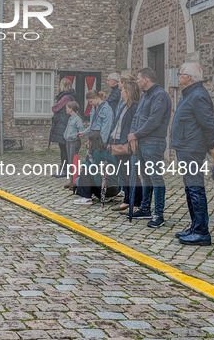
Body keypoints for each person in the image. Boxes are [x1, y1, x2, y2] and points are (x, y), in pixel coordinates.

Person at [171, 62, 214, 246]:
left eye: (180, 74)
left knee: (195, 188)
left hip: (192, 148)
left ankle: (201, 232)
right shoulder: (191, 94)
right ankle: (195, 225)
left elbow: (210, 125)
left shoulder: (198, 96)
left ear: (188, 77)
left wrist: (210, 145)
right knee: (190, 188)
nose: (178, 76)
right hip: (186, 147)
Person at [127, 67, 172, 227]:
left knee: (155, 177)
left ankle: (158, 214)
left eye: (139, 78)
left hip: (153, 142)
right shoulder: (145, 96)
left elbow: (154, 120)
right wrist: (132, 133)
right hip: (140, 142)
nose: (137, 81)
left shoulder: (160, 95)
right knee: (145, 177)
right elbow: (136, 117)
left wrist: (136, 134)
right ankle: (145, 208)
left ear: (146, 79)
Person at [108, 80, 141, 213]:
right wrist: (111, 139)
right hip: (117, 143)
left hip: (126, 145)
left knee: (131, 175)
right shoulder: (124, 107)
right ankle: (127, 200)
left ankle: (136, 202)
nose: (120, 92)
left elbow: (132, 127)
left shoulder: (134, 108)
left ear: (128, 92)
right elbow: (117, 125)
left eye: (123, 90)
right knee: (123, 175)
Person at [73, 132, 120, 205]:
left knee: (86, 171)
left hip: (107, 184)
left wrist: (84, 163)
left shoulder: (98, 152)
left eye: (89, 141)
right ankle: (100, 196)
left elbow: (93, 168)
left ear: (92, 141)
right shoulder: (105, 150)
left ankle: (86, 197)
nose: (87, 142)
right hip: (114, 185)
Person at [49, 78, 78, 177]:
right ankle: (65, 169)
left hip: (63, 125)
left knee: (64, 149)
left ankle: (65, 170)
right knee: (64, 149)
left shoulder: (66, 97)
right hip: (63, 124)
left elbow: (55, 108)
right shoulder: (69, 96)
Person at [63, 101, 84, 185]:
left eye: (67, 108)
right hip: (68, 142)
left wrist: (73, 136)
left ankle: (75, 181)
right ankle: (72, 180)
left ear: (71, 109)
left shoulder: (77, 119)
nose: (66, 109)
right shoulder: (70, 118)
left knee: (73, 162)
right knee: (69, 161)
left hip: (74, 142)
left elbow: (80, 130)